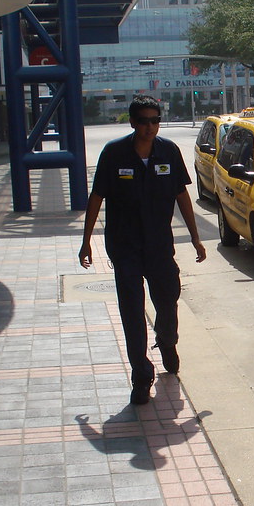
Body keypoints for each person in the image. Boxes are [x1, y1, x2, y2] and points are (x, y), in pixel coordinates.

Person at [79, 96, 206, 405]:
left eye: (155, 120)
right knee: (132, 313)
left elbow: (181, 194)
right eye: (144, 121)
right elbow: (97, 197)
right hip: (125, 248)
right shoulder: (114, 154)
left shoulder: (169, 151)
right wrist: (85, 241)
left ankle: (167, 340)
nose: (150, 126)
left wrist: (195, 235)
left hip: (160, 247)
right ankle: (141, 376)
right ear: (133, 123)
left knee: (167, 302)